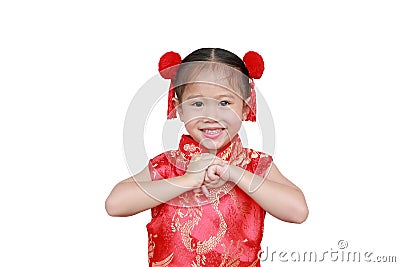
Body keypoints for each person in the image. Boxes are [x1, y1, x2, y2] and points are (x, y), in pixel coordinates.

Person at [105, 48, 308, 266]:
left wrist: (234, 173)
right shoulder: (166, 165)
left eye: (224, 103)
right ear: (179, 109)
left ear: (245, 107)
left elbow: (298, 211)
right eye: (197, 103)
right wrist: (187, 180)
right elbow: (115, 205)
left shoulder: (254, 164)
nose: (211, 116)